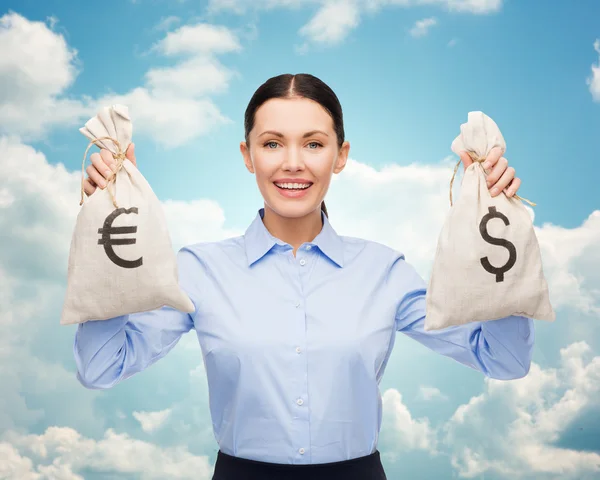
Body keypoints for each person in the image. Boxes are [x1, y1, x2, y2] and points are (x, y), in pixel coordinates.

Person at [75, 73, 533, 480]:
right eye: (272, 143)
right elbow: (101, 367)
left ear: (340, 155)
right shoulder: (199, 269)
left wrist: (493, 217)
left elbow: (503, 360)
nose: (292, 162)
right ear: (248, 155)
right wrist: (106, 232)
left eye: (314, 144)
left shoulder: (384, 271)